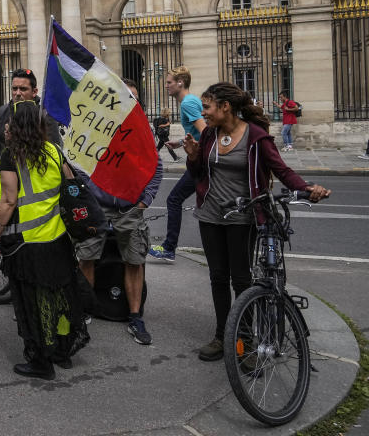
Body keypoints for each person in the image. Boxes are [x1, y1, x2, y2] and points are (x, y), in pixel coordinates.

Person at [183, 82, 331, 361]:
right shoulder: (209, 136)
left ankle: (246, 339)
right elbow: (198, 172)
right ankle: (221, 336)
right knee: (217, 277)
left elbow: (282, 170)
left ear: (224, 107)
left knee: (241, 279)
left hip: (244, 216)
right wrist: (192, 157)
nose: (204, 113)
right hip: (210, 215)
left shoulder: (256, 137)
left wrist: (308, 188)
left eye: (207, 107)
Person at [0, 100, 90, 380]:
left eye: (10, 121)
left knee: (33, 302)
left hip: (27, 243)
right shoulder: (54, 150)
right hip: (57, 238)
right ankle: (61, 352)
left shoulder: (11, 156)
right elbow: (70, 185)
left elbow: (8, 201)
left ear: (19, 126)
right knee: (59, 297)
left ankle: (41, 361)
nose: (6, 125)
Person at [76, 80, 162, 346]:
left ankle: (135, 316)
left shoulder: (142, 132)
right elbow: (79, 164)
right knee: (87, 257)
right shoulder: (95, 127)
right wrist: (88, 196)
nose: (129, 102)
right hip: (98, 207)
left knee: (134, 260)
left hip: (129, 208)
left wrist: (144, 201)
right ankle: (83, 312)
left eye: (134, 98)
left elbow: (155, 168)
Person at [149, 66, 206, 263]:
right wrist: (181, 142)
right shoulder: (191, 100)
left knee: (174, 199)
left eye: (169, 82)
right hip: (203, 159)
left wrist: (195, 153)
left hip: (201, 161)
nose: (166, 86)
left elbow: (205, 133)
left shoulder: (187, 104)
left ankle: (169, 248)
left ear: (180, 82)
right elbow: (199, 134)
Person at [0, 69, 63, 184]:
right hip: (8, 182)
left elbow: (55, 153)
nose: (18, 93)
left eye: (23, 89)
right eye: (14, 89)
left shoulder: (45, 115)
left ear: (34, 91)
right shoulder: (2, 113)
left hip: (38, 184)